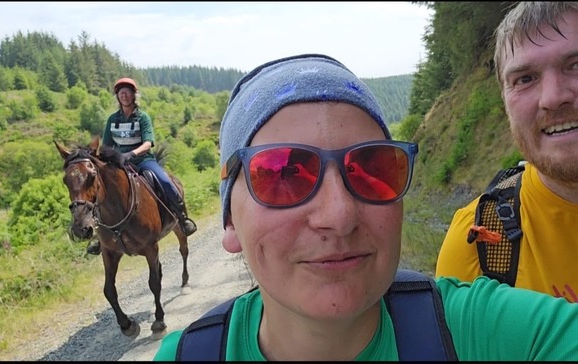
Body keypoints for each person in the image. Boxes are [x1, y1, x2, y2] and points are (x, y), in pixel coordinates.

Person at [153, 54, 578, 361]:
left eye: (371, 167)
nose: (338, 215)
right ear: (229, 218)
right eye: (283, 173)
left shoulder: (490, 333)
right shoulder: (190, 355)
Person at [435, 2, 578, 300]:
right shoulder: (476, 243)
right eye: (524, 79)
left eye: (575, 65)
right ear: (505, 104)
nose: (553, 98)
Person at [86, 77, 197, 255]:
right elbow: (105, 146)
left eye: (127, 92)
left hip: (143, 160)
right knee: (100, 191)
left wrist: (131, 154)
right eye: (121, 92)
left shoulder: (142, 117)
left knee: (166, 182)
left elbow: (148, 143)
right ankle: (99, 237)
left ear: (133, 95)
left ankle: (182, 219)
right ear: (117, 96)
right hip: (118, 163)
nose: (124, 95)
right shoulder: (112, 120)